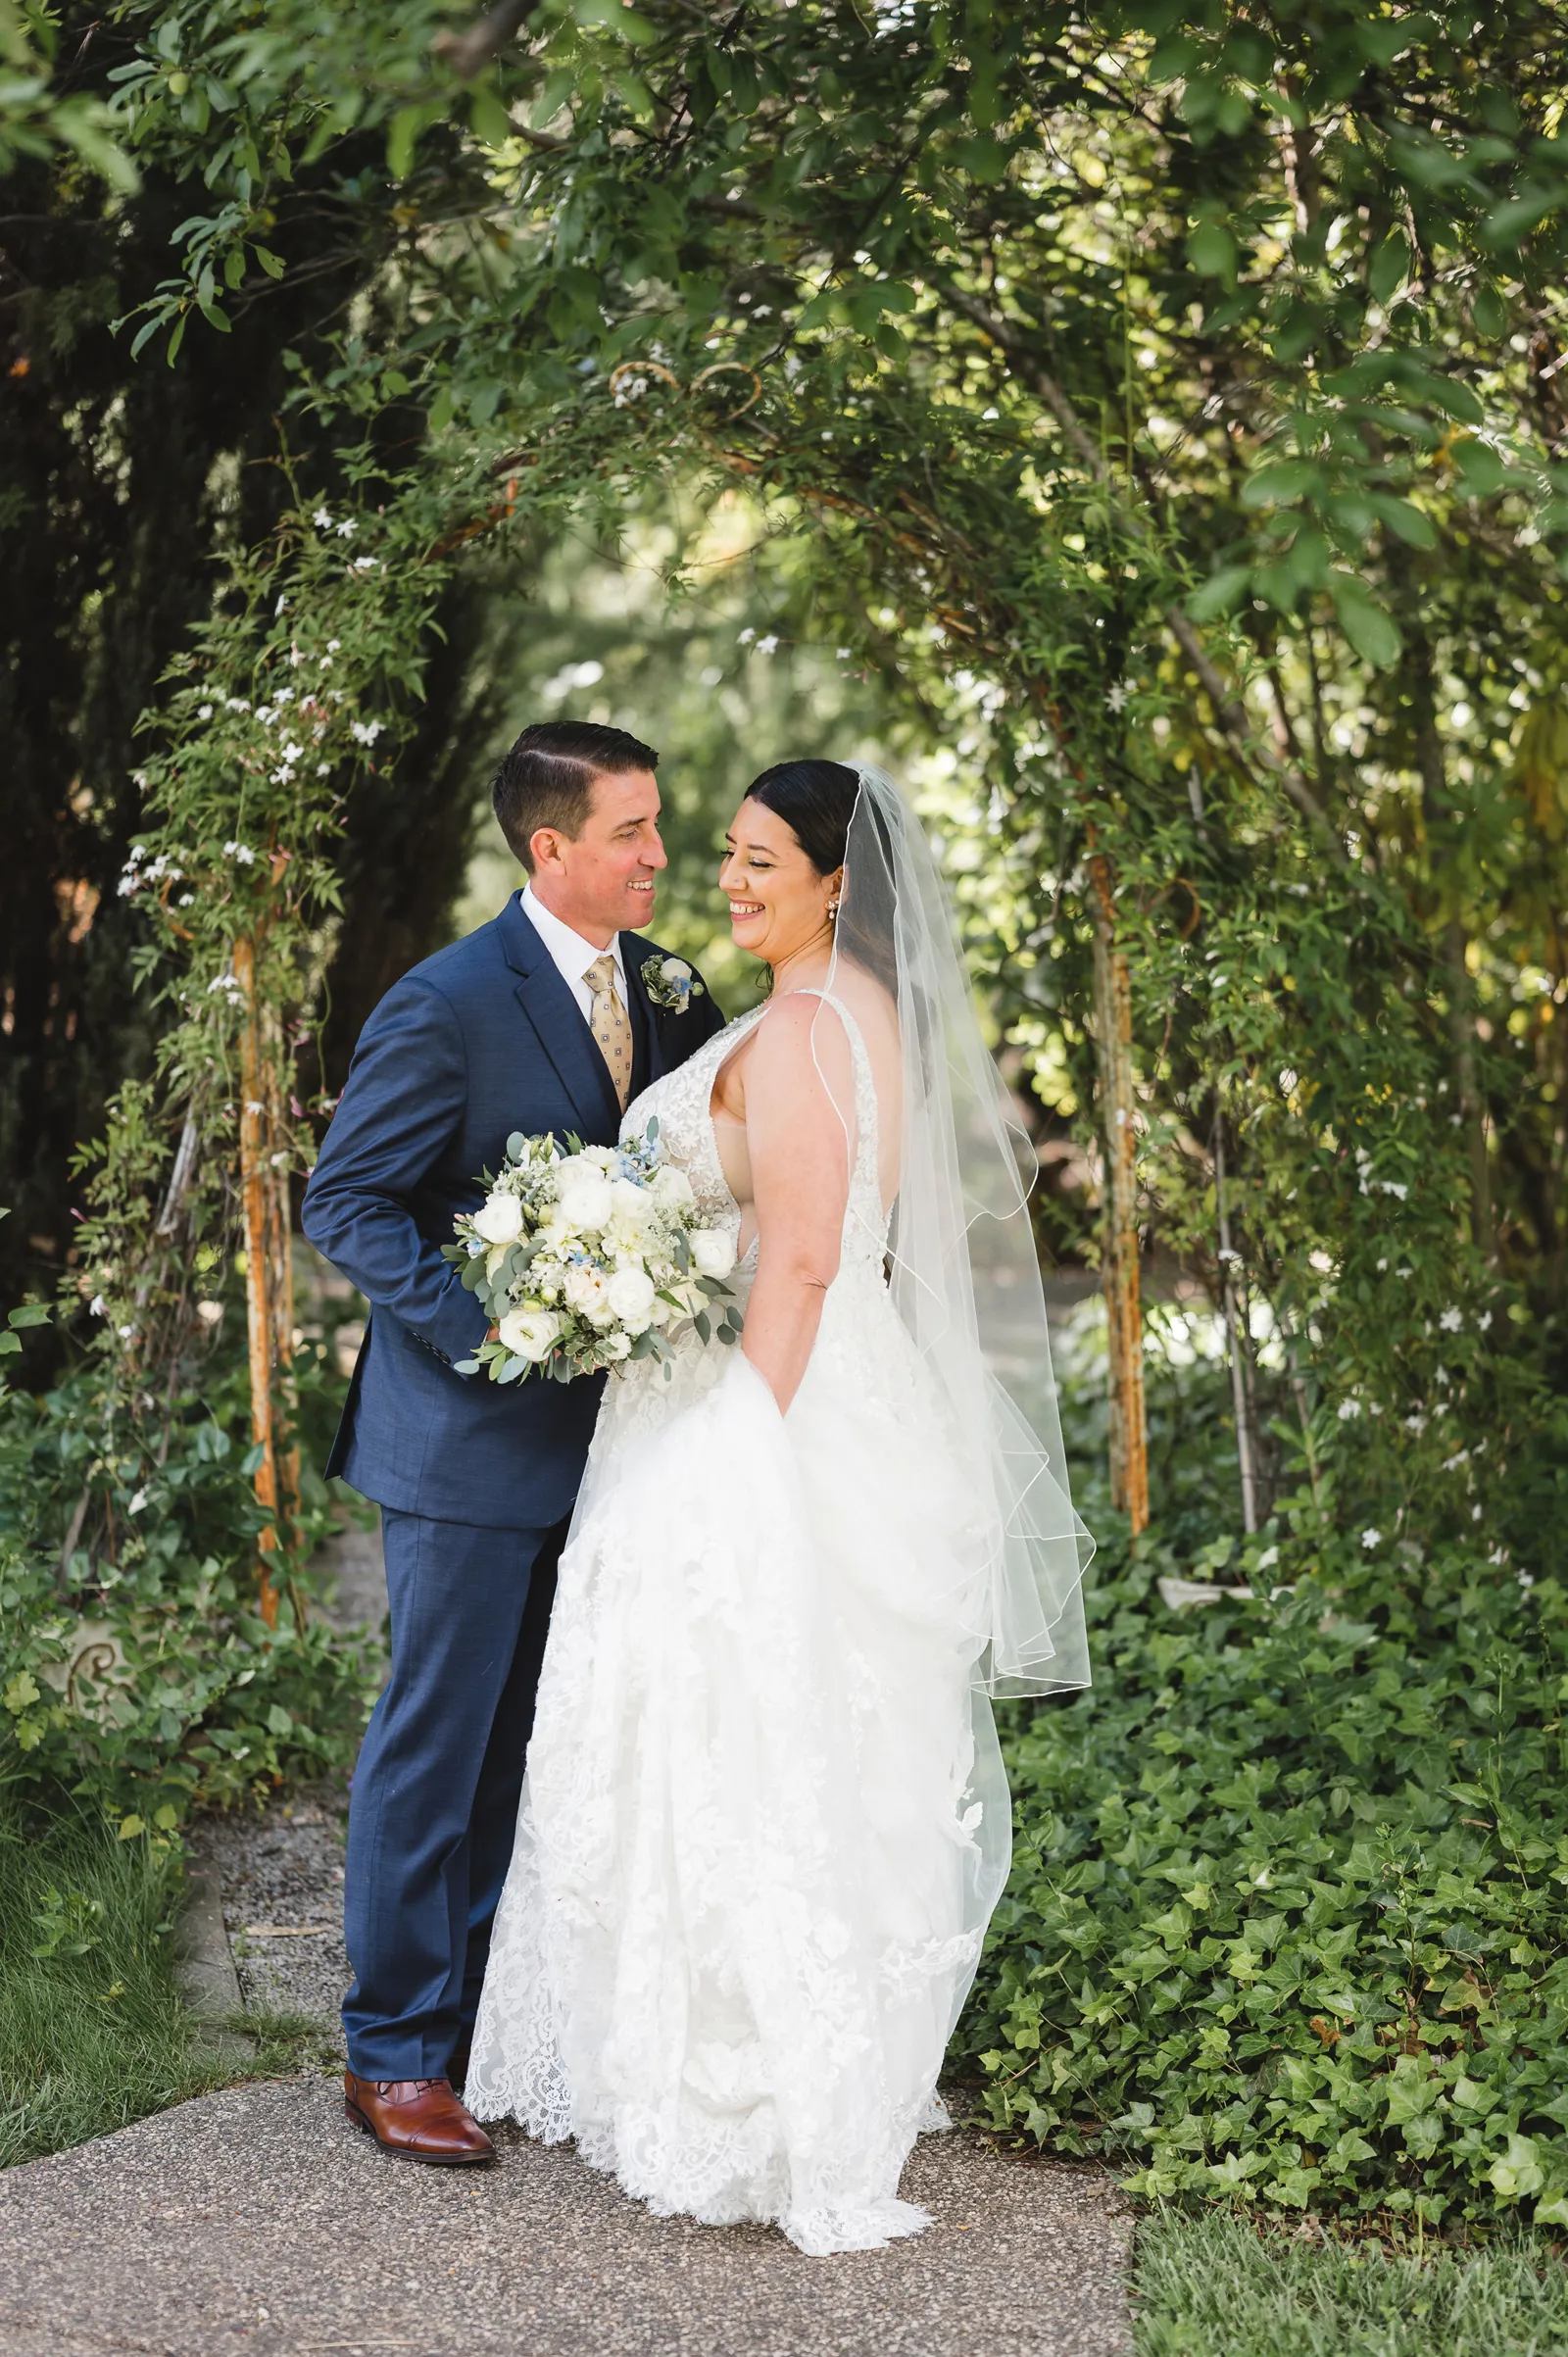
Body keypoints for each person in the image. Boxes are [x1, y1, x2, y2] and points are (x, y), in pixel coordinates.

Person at [466, 760, 1091, 2251]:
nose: (728, 881)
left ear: (835, 884)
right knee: (806, 1736)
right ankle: (755, 2053)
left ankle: (751, 2083)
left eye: (759, 862)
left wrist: (738, 1447)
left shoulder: (809, 1028)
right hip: (812, 1392)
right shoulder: (841, 1015)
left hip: (771, 1408)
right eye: (724, 856)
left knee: (741, 1734)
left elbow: (802, 1260)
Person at [301, 719, 725, 2165]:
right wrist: (495, 1323)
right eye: (632, 834)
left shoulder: (667, 991)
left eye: (660, 827)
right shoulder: (446, 1002)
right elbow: (349, 1201)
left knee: (544, 1745)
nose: (661, 856)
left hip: (616, 1445)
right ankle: (395, 2052)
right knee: (441, 1745)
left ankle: (490, 2020)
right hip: (466, 1445)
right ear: (552, 850)